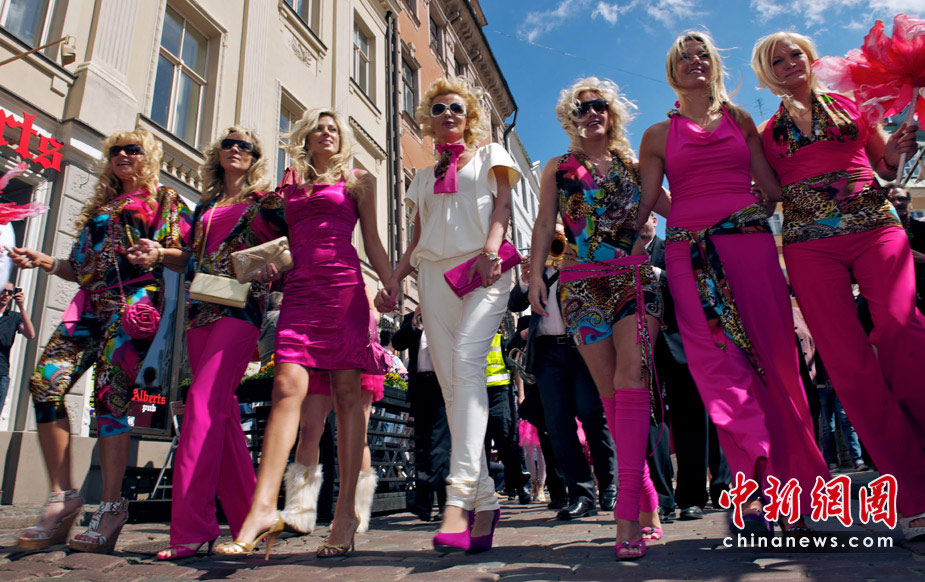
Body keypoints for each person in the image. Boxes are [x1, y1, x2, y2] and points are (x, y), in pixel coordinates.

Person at [638, 31, 830, 536]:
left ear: (714, 65)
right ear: (672, 71)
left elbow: (770, 187)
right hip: (688, 257)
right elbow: (647, 201)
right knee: (718, 368)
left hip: (748, 245)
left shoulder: (740, 119)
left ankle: (800, 493)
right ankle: (754, 489)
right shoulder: (656, 135)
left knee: (776, 362)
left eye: (702, 55)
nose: (694, 61)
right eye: (684, 57)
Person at [751, 31, 925, 540]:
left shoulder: (853, 103)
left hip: (875, 228)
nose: (789, 64)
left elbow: (883, 163)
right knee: (849, 368)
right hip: (809, 248)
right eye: (777, 61)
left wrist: (894, 150)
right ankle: (914, 495)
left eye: (796, 55)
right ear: (767, 73)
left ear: (811, 59)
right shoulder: (765, 133)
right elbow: (768, 193)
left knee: (901, 328)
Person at [216, 109, 393, 559]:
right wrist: (265, 265)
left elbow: (372, 240)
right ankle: (262, 507)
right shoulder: (288, 190)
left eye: (333, 129)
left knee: (347, 394)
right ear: (306, 138)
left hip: (343, 290)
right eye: (319, 128)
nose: (326, 133)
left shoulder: (358, 181)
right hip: (299, 292)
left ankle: (345, 514)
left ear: (341, 139)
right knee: (285, 387)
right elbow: (278, 244)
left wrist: (391, 283)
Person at [12, 128, 191, 553]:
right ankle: (64, 497)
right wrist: (45, 261)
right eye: (115, 150)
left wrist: (159, 253)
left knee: (110, 399)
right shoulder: (102, 208)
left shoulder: (164, 199)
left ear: (148, 155)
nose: (122, 154)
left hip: (133, 306)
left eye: (133, 149)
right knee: (44, 382)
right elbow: (79, 269)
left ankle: (111, 507)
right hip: (89, 306)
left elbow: (188, 255)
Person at [376, 76, 521, 554]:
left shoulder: (491, 155)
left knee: (466, 365)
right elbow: (417, 237)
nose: (448, 115)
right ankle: (485, 502)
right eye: (438, 109)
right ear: (429, 119)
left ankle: (457, 501)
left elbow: (503, 205)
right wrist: (394, 279)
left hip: (484, 268)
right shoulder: (422, 177)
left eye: (456, 107)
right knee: (454, 388)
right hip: (434, 277)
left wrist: (491, 249)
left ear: (469, 115)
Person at [530, 77, 666, 560]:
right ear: (571, 118)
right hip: (581, 286)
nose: (592, 113)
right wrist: (535, 277)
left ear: (612, 113)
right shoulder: (558, 168)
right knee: (611, 399)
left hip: (633, 280)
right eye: (581, 107)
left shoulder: (636, 166)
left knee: (633, 379)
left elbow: (678, 207)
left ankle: (625, 512)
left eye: (600, 105)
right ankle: (645, 492)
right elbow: (544, 224)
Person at [140, 127, 286, 560]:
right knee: (221, 416)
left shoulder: (266, 202)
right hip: (200, 307)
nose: (236, 149)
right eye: (229, 143)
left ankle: (191, 528)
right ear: (218, 153)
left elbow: (296, 246)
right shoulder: (204, 206)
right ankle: (251, 519)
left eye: (246, 146)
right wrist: (158, 253)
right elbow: (190, 258)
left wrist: (274, 267)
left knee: (201, 405)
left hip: (241, 309)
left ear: (255, 157)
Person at [508, 226, 617, 522]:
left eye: (558, 238)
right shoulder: (537, 271)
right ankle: (581, 494)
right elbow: (515, 304)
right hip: (547, 352)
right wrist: (526, 280)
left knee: (592, 415)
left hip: (582, 349)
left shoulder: (581, 263)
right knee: (557, 425)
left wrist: (570, 263)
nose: (554, 243)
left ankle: (609, 484)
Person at [637, 214, 731, 522]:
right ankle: (662, 499)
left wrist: (659, 275)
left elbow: (696, 285)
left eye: (643, 212)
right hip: (641, 345)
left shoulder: (672, 248)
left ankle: (693, 496)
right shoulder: (620, 255)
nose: (637, 219)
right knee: (652, 422)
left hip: (681, 340)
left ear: (655, 218)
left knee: (692, 418)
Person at [392, 307, 450, 523]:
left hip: (442, 384)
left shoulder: (447, 312)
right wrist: (415, 322)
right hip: (420, 387)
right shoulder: (413, 317)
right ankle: (432, 505)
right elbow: (398, 343)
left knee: (438, 444)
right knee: (424, 445)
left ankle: (428, 498)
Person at [483, 329, 531, 504]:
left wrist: (521, 395)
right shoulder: (468, 337)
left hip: (500, 393)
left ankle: (520, 485)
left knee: (507, 439)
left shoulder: (499, 339)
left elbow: (514, 368)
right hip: (476, 394)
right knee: (480, 444)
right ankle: (484, 489)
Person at [0, 283, 35, 416]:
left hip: (1, 372)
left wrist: (22, 308)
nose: (6, 294)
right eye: (3, 290)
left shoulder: (14, 317)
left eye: (10, 292)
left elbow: (30, 334)